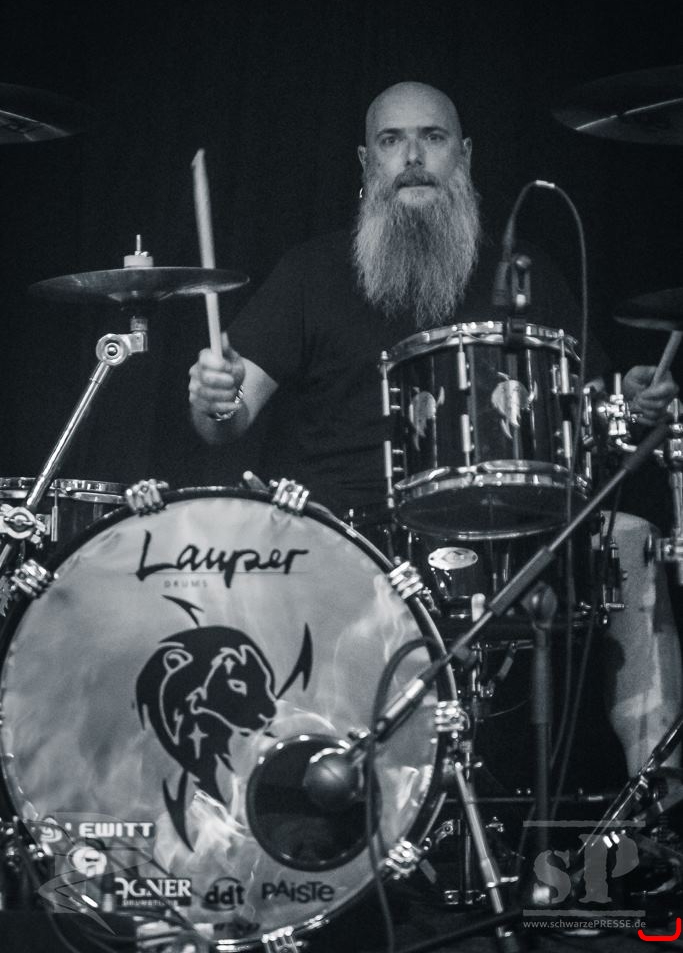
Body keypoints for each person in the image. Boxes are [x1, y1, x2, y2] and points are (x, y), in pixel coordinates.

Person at [188, 81, 681, 779]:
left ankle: (657, 798)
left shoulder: (523, 271)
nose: (413, 156)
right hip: (350, 533)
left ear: (464, 155)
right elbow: (226, 420)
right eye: (392, 141)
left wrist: (628, 402)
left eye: (432, 137)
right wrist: (213, 398)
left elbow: (590, 407)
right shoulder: (312, 272)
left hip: (512, 534)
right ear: (368, 163)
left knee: (631, 539)